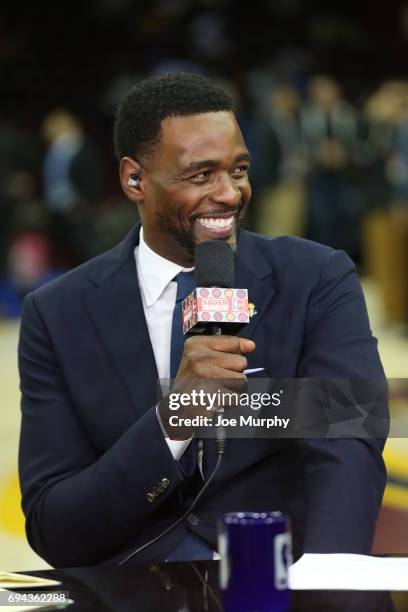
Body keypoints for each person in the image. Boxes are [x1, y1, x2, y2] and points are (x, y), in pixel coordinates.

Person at [18, 73, 388, 568]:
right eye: (201, 175)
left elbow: (349, 441)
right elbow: (54, 524)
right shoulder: (56, 312)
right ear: (134, 180)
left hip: (281, 577)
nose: (231, 193)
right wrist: (174, 420)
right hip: (133, 586)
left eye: (239, 169)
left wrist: (325, 576)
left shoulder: (316, 276)